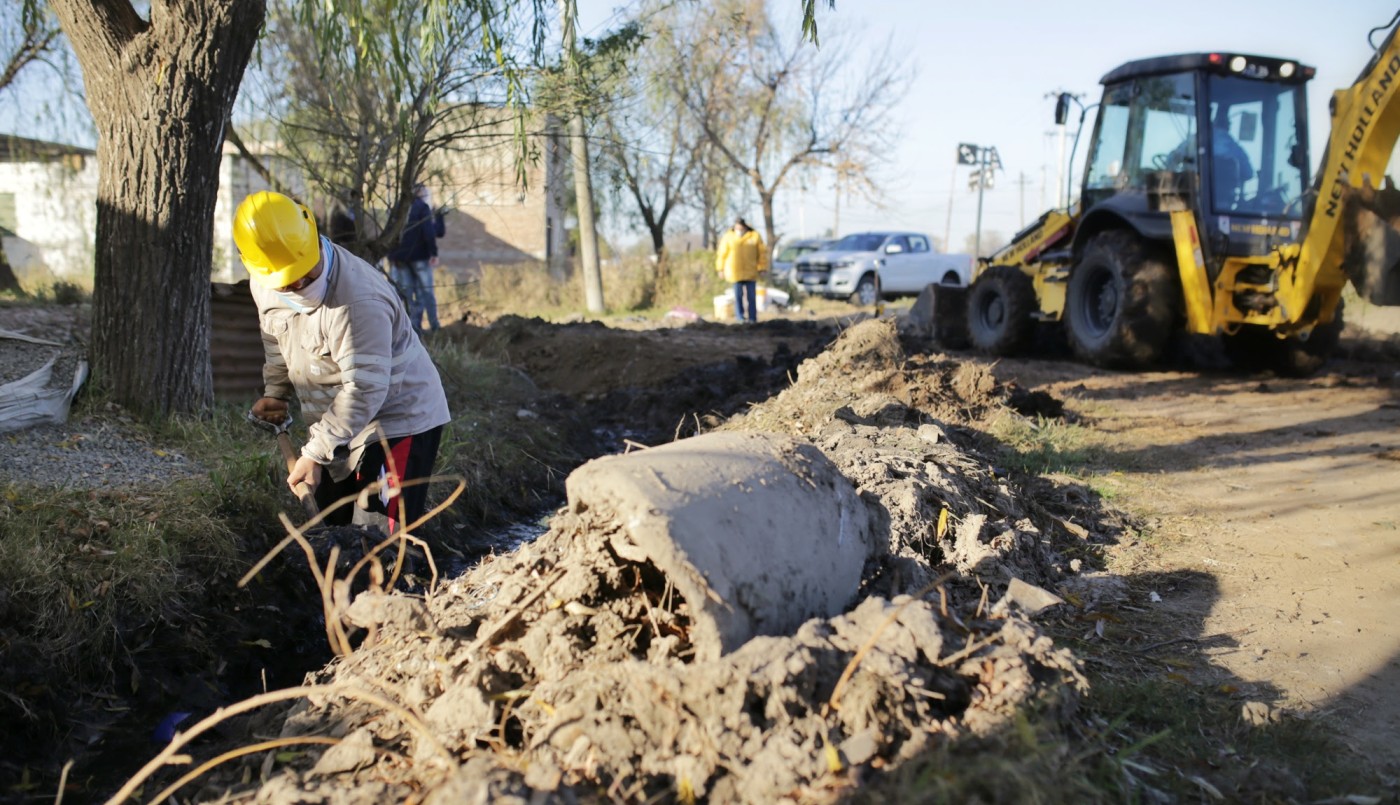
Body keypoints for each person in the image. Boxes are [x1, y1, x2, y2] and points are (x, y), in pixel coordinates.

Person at [234, 190, 451, 532]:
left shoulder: (359, 300)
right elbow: (276, 336)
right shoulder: (265, 281)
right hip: (337, 424)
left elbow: (364, 389)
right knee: (337, 530)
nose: (302, 284)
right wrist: (276, 392)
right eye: (289, 283)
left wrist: (315, 452)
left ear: (312, 240)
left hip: (397, 419)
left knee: (380, 540)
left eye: (307, 271)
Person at [388, 183, 447, 335]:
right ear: (420, 192)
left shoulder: (398, 208)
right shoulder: (422, 207)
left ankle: (410, 329)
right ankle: (432, 326)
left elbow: (390, 232)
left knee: (407, 294)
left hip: (401, 258)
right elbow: (429, 232)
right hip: (420, 257)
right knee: (425, 292)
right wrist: (433, 253)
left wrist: (392, 255)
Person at [715, 217, 767, 323]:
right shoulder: (728, 237)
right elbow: (722, 254)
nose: (739, 229)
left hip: (750, 271)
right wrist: (720, 268)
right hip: (735, 272)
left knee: (751, 296)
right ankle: (740, 317)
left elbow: (762, 253)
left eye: (740, 226)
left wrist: (762, 268)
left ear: (745, 226)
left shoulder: (755, 236)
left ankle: (752, 318)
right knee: (738, 296)